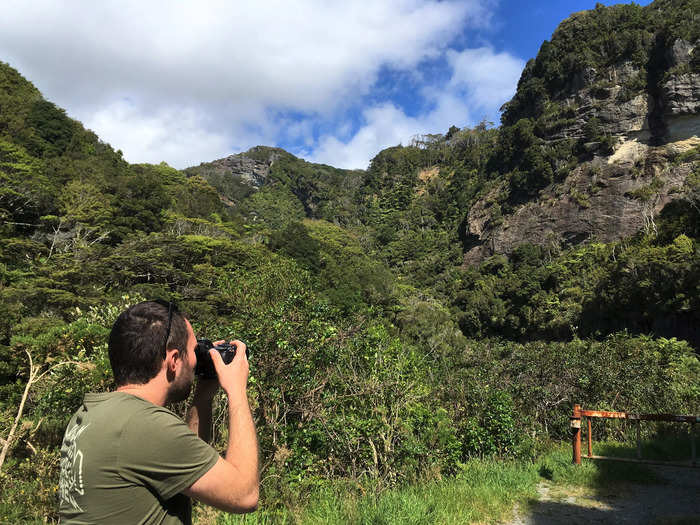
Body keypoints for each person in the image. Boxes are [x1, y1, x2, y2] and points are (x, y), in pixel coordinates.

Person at [58, 300, 259, 524]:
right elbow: (244, 494)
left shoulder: (90, 415)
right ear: (173, 360)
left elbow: (184, 466)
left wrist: (203, 395)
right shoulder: (144, 426)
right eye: (194, 351)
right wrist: (236, 390)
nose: (196, 361)